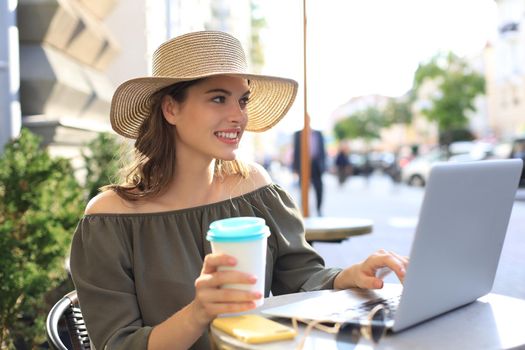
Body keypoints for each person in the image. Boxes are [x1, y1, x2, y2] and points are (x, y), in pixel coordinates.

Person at [69, 31, 408, 350]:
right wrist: (198, 313)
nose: (238, 116)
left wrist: (353, 275)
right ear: (171, 108)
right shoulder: (109, 218)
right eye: (218, 99)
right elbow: (117, 343)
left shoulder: (257, 189)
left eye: (242, 101)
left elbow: (301, 278)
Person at [292, 118, 327, 216]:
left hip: (316, 165)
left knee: (319, 189)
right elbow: (296, 152)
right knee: (303, 189)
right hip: (303, 165)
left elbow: (323, 151)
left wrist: (323, 165)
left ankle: (319, 210)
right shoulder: (298, 134)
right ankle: (304, 210)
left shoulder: (318, 134)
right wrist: (295, 168)